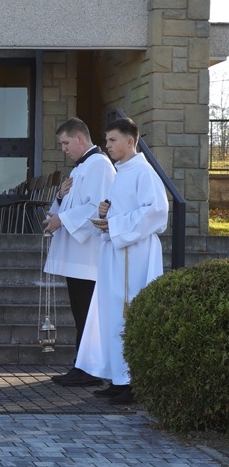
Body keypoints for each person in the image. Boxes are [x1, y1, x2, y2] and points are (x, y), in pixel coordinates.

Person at [73, 117, 167, 405]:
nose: (108, 145)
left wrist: (114, 224)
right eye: (107, 140)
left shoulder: (144, 172)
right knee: (113, 314)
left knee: (129, 314)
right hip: (117, 252)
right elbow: (125, 210)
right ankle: (118, 378)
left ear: (130, 141)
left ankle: (132, 382)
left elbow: (156, 212)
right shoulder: (121, 172)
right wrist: (106, 213)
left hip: (136, 255)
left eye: (113, 140)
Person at [42, 118, 116, 386]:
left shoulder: (99, 165)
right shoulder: (82, 167)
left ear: (80, 139)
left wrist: (62, 219)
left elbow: (98, 207)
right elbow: (72, 205)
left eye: (65, 143)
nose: (63, 149)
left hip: (89, 256)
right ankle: (81, 365)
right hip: (77, 255)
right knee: (80, 312)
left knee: (87, 313)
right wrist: (60, 199)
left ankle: (89, 370)